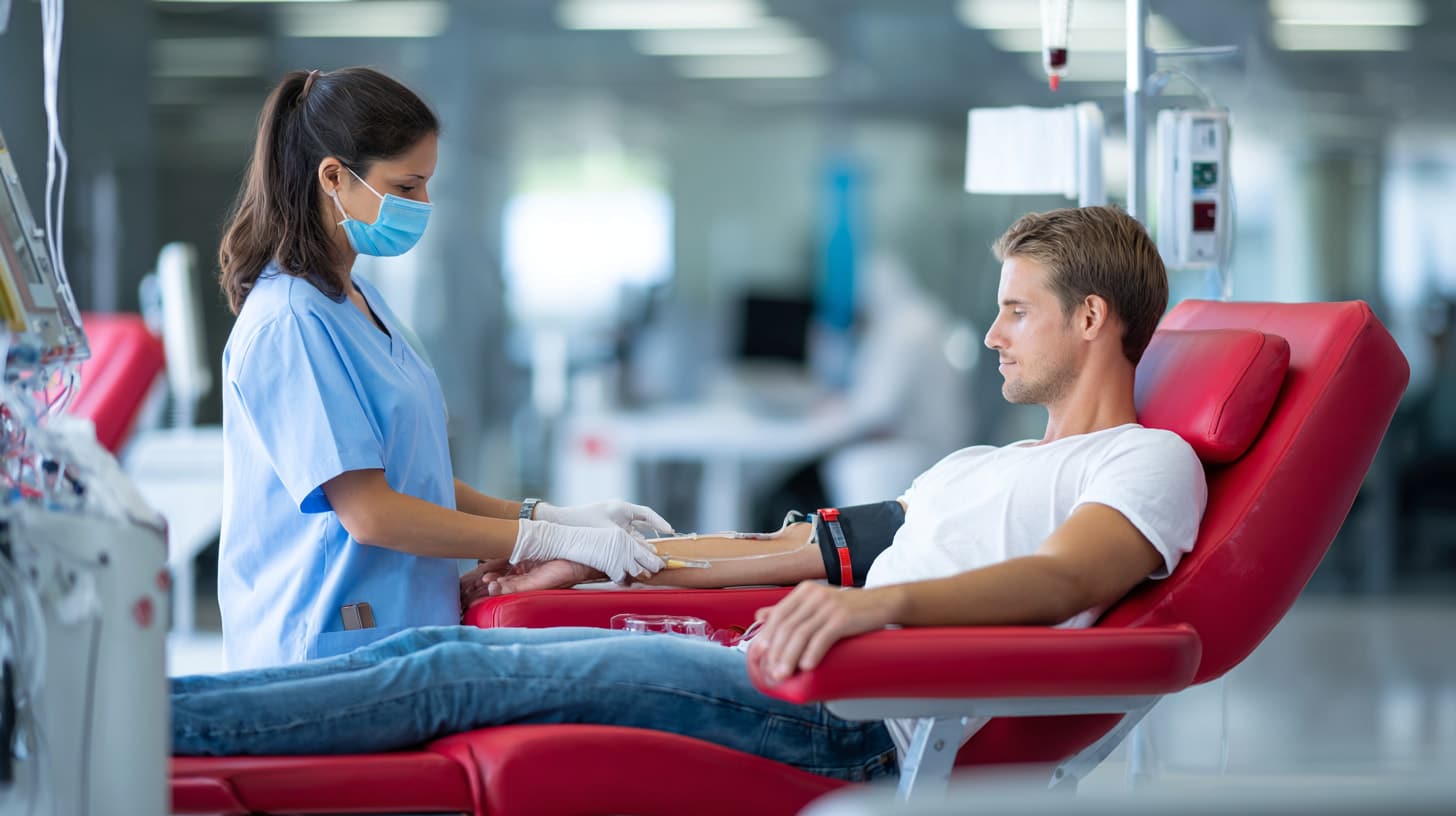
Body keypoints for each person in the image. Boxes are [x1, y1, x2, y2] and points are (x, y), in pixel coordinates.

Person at [175, 205, 1207, 782]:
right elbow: (788, 549)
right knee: (432, 652)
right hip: (783, 658)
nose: (990, 335)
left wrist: (879, 605)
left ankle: (145, 733)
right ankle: (145, 714)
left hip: (851, 715)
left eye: (1015, 312)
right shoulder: (973, 469)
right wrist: (606, 544)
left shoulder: (1142, 463)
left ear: (1090, 321)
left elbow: (1062, 576)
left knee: (455, 672)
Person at [214, 67, 671, 670]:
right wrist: (548, 541)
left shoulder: (359, 301)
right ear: (334, 178)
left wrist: (546, 515)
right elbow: (372, 511)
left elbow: (410, 475)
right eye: (405, 187)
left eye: (427, 185)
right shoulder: (291, 323)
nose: (422, 206)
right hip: (324, 652)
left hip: (397, 631)